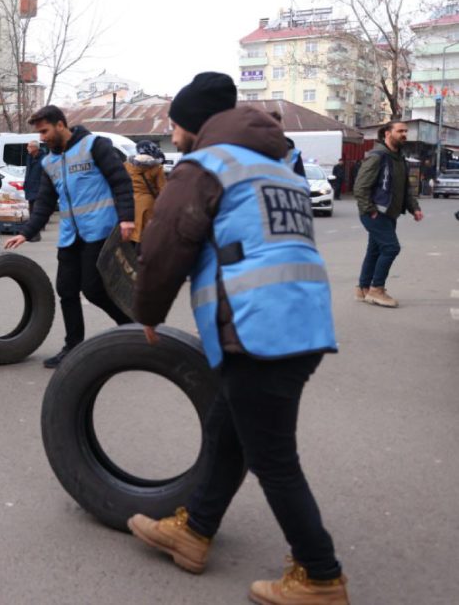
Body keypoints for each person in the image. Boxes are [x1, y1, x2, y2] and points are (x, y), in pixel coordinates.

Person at [128, 72, 348, 604]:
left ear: (193, 124)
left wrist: (148, 312)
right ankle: (195, 530)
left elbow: (164, 244)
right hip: (302, 323)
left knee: (272, 456)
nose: (173, 135)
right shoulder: (277, 169)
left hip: (255, 329)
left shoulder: (206, 166)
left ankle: (320, 577)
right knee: (229, 428)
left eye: (176, 125)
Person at [4, 105, 135, 368]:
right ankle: (73, 345)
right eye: (39, 133)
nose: (42, 138)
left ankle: (132, 329)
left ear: (61, 125)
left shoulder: (94, 145)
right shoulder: (48, 161)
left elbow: (120, 181)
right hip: (70, 236)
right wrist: (26, 232)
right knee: (66, 289)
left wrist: (127, 218)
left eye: (44, 131)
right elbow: (44, 203)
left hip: (99, 229)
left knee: (94, 289)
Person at [353, 121, 423, 308]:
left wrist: (414, 208)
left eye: (405, 131)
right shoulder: (378, 156)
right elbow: (360, 188)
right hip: (376, 213)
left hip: (389, 213)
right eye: (400, 131)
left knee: (374, 250)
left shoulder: (398, 158)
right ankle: (377, 289)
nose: (404, 134)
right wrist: (370, 210)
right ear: (387, 133)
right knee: (391, 248)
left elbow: (405, 188)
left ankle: (363, 289)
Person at [125, 140, 167, 251]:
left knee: (132, 234)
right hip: (148, 205)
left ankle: (131, 260)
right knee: (147, 237)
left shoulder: (127, 165)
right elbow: (163, 190)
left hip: (130, 204)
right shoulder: (157, 168)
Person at [23, 140, 46, 242]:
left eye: (29, 147)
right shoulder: (29, 158)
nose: (27, 148)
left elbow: (45, 176)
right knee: (32, 212)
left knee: (35, 213)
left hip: (38, 189)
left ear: (35, 148)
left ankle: (36, 235)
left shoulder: (43, 159)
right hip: (30, 188)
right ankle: (34, 234)